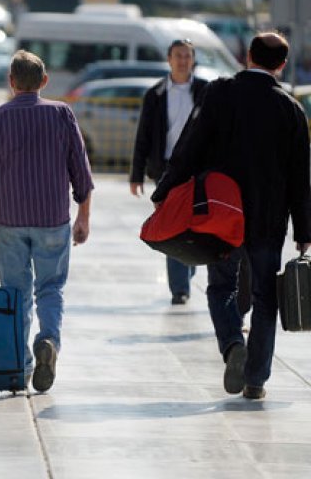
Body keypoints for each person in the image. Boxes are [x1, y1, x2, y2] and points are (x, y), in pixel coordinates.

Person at [152, 32, 311, 400]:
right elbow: (301, 177)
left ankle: (231, 345)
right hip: (269, 223)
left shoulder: (220, 93)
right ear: (281, 65)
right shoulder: (291, 109)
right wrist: (304, 229)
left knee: (221, 287)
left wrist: (165, 191)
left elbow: (192, 145)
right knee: (265, 295)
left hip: (221, 216)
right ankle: (255, 379)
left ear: (247, 57)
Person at [0, 50, 93, 393]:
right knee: (50, 288)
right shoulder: (62, 114)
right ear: (44, 82)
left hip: (9, 219)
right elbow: (81, 172)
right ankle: (49, 341)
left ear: (10, 82)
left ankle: (21, 365)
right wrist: (84, 216)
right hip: (53, 218)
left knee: (15, 293)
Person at [129, 39, 208, 305]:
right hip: (166, 172)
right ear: (169, 59)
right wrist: (136, 173)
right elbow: (143, 136)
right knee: (173, 226)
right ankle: (179, 288)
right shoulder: (156, 95)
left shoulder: (206, 92)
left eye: (187, 55)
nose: (183, 60)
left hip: (199, 170)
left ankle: (189, 266)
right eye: (178, 55)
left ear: (193, 60)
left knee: (196, 226)